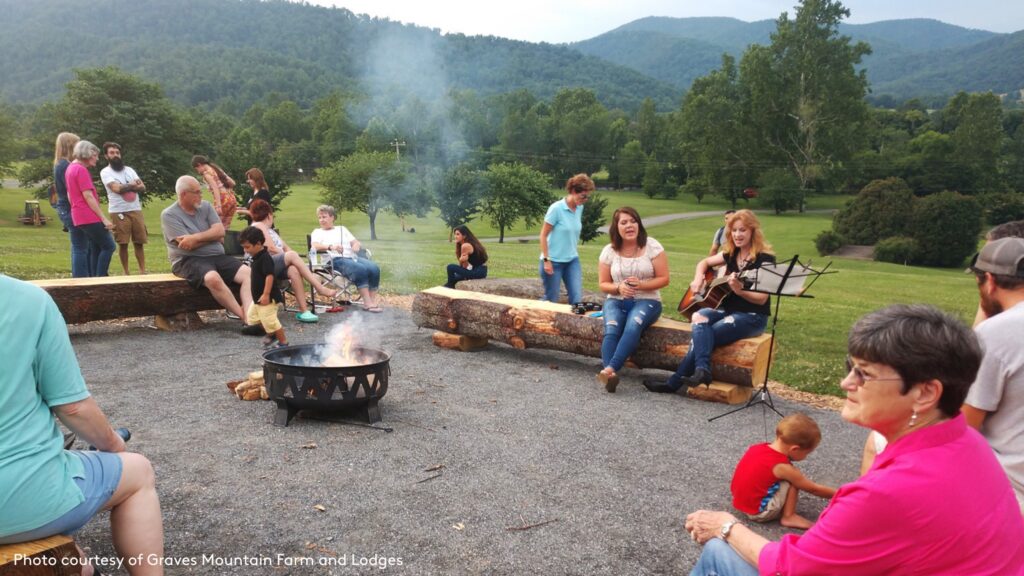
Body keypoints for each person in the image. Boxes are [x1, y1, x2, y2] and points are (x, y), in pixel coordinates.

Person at [685, 304, 1024, 576]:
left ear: (925, 393)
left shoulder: (888, 492)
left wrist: (725, 526)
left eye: (864, 373)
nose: (847, 382)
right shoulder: (968, 441)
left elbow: (792, 567)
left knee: (719, 551)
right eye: (852, 366)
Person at [0, 275, 164, 576]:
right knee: (138, 472)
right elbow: (73, 407)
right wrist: (113, 444)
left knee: (76, 562)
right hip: (21, 498)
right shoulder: (27, 301)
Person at [644, 209, 774, 393]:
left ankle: (674, 382)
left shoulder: (765, 260)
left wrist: (740, 291)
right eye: (734, 230)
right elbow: (703, 263)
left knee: (705, 335)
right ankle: (702, 369)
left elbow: (761, 300)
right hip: (728, 311)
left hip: (752, 316)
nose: (737, 235)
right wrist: (698, 278)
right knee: (699, 315)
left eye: (742, 230)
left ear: (753, 231)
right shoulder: (730, 254)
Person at [963, 236, 1024, 513]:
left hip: (1011, 484)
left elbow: (964, 426)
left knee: (882, 443)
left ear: (989, 280)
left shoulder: (998, 330)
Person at [161, 175, 258, 334]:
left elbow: (220, 232)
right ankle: (246, 319)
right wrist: (212, 237)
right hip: (187, 260)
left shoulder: (205, 207)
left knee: (248, 273)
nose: (201, 195)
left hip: (217, 256)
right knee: (212, 277)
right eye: (197, 192)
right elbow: (187, 246)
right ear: (184, 194)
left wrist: (195, 237)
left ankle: (250, 313)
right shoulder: (169, 215)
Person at [596, 207, 668, 393]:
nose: (629, 225)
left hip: (647, 300)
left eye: (633, 221)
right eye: (624, 222)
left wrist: (641, 285)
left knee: (633, 324)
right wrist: (618, 288)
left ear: (639, 224)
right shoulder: (609, 251)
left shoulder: (652, 246)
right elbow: (603, 284)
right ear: (616, 227)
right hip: (616, 299)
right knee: (612, 327)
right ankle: (610, 377)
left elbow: (664, 278)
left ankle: (609, 370)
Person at [730, 413, 835, 530]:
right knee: (794, 480)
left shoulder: (757, 447)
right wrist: (842, 494)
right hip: (759, 513)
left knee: (785, 476)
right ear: (795, 449)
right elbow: (813, 489)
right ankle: (789, 516)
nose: (805, 457)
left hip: (740, 502)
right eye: (806, 453)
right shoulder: (782, 466)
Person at [249, 199, 339, 323]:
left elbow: (286, 247)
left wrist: (292, 258)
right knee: (291, 256)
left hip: (273, 264)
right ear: (269, 215)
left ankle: (304, 311)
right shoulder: (258, 225)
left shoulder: (270, 231)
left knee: (293, 269)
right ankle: (319, 288)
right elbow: (271, 248)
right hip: (261, 266)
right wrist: (290, 256)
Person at [310, 204, 382, 312]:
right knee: (360, 269)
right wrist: (331, 246)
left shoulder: (342, 229)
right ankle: (367, 303)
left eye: (324, 217)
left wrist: (356, 245)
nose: (321, 220)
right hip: (334, 261)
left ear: (332, 217)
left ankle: (371, 301)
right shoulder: (317, 232)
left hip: (351, 257)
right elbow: (314, 245)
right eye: (319, 217)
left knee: (374, 268)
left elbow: (355, 241)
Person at [539, 173, 593, 304]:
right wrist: (547, 260)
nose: (585, 199)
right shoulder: (556, 208)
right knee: (551, 299)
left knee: (576, 299)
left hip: (572, 261)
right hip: (553, 261)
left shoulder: (579, 208)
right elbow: (543, 235)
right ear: (574, 191)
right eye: (583, 196)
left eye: (587, 197)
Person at [66, 140, 116, 277]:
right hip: (88, 216)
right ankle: (100, 278)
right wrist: (104, 219)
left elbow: (69, 194)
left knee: (95, 246)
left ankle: (94, 277)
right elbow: (88, 196)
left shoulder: (70, 168)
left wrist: (75, 209)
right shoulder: (81, 170)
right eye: (95, 155)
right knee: (109, 246)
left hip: (78, 215)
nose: (97, 158)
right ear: (87, 154)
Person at [100, 142, 148, 275]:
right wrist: (132, 185)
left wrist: (127, 186)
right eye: (112, 153)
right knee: (123, 243)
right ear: (106, 156)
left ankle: (143, 272)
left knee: (139, 241)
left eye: (117, 153)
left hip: (135, 209)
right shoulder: (105, 172)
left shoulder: (129, 170)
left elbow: (142, 187)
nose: (115, 155)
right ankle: (126, 273)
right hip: (118, 211)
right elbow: (116, 189)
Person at [239, 227, 288, 349]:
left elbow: (269, 276)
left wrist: (266, 294)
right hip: (257, 299)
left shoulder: (265, 258)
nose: (245, 250)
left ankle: (283, 343)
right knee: (251, 319)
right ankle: (272, 334)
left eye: (248, 247)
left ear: (259, 244)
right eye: (244, 247)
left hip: (268, 298)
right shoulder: (256, 257)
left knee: (271, 321)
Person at [52, 132, 87, 276]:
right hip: (69, 208)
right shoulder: (66, 165)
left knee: (78, 244)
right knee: (80, 246)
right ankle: (80, 278)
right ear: (71, 146)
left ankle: (80, 276)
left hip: (65, 208)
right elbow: (70, 191)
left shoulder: (60, 163)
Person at [191, 155, 237, 229]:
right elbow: (233, 183)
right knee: (225, 227)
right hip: (231, 199)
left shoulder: (206, 174)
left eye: (197, 169)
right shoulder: (216, 168)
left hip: (222, 200)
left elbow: (215, 188)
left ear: (199, 165)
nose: (198, 172)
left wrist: (218, 206)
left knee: (215, 227)